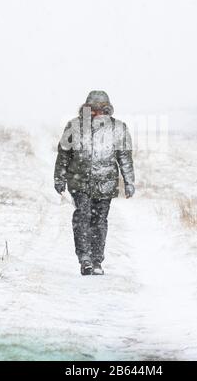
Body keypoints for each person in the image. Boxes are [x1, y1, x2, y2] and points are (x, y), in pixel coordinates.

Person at [54, 90, 135, 275]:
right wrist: (59, 177)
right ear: (86, 108)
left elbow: (125, 157)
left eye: (100, 110)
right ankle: (85, 258)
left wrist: (129, 181)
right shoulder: (74, 126)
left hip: (105, 183)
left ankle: (97, 260)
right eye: (92, 109)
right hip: (79, 181)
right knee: (82, 217)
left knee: (99, 222)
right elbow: (64, 154)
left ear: (107, 110)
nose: (96, 113)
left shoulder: (119, 128)